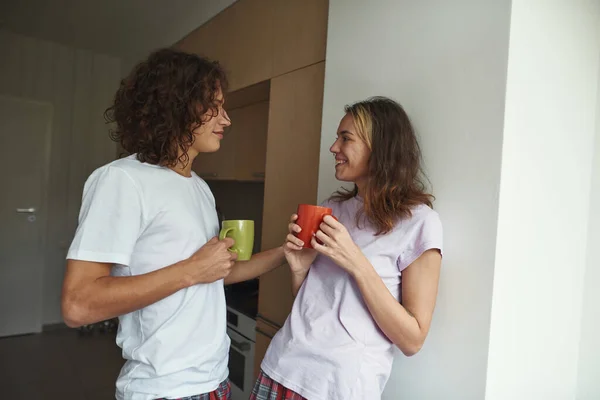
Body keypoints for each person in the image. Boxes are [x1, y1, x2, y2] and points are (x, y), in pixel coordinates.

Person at [61, 48, 285, 400]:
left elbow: (217, 274)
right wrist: (193, 270)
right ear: (175, 104)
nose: (226, 119)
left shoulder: (198, 187)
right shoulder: (122, 180)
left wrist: (289, 252)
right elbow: (78, 305)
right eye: (214, 106)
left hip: (214, 381)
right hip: (164, 390)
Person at [251, 97, 443, 400]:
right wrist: (300, 270)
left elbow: (412, 340)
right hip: (281, 367)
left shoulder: (419, 223)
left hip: (336, 387)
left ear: (380, 148)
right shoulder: (332, 209)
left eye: (346, 138)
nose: (334, 148)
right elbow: (317, 308)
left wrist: (355, 260)